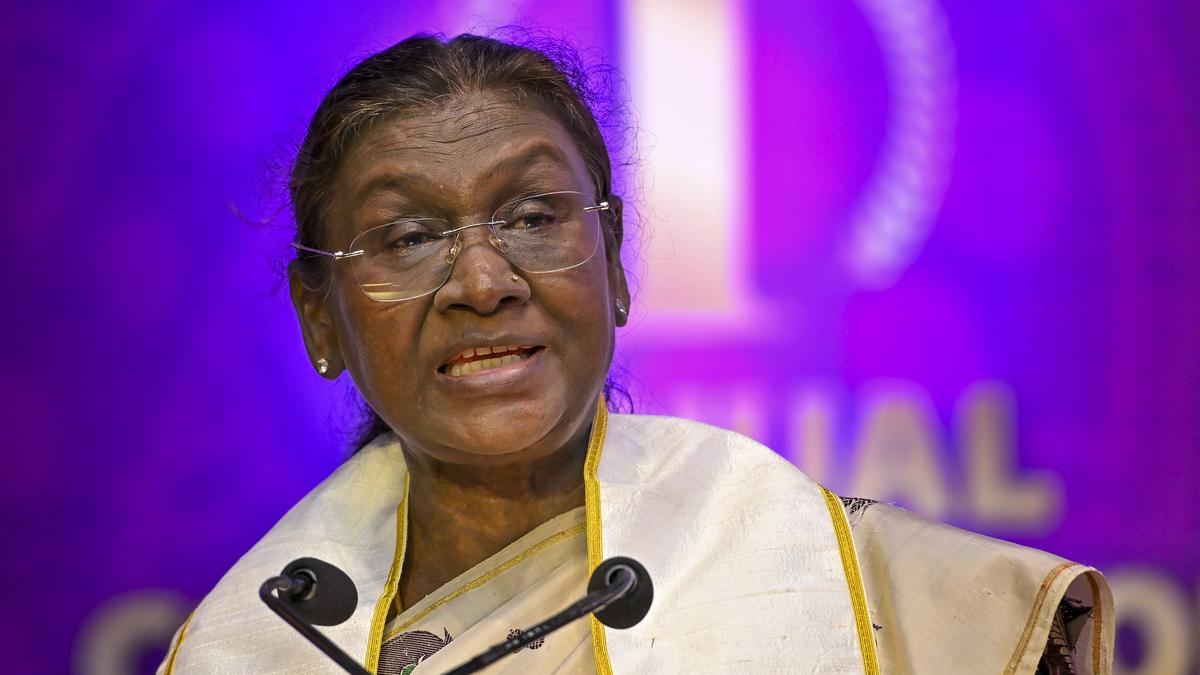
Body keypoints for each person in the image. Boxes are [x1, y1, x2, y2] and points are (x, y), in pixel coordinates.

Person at [158, 34, 1112, 674]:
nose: (482, 281)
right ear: (320, 316)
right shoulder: (263, 640)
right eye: (408, 237)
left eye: (533, 217)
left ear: (612, 264)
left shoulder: (870, 586)